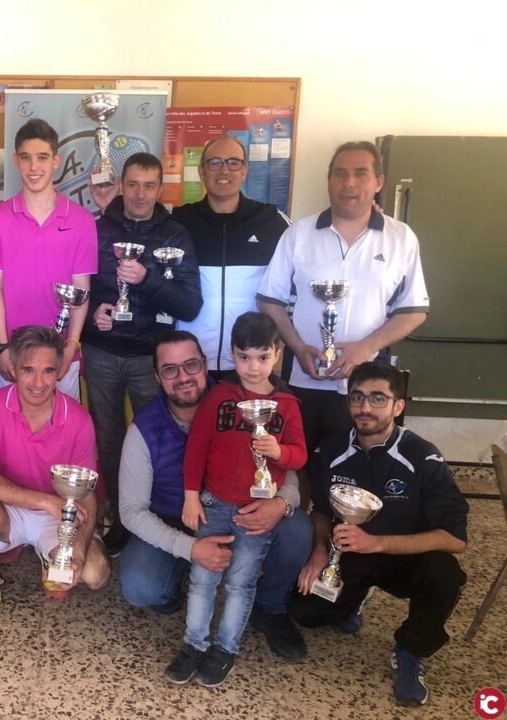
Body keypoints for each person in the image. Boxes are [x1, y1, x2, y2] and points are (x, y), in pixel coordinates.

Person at [118, 329, 311, 663]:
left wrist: (282, 502)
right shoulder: (143, 430)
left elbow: (287, 465)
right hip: (178, 522)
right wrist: (189, 547)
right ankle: (178, 577)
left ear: (206, 365)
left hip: (243, 511)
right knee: (139, 586)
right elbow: (131, 512)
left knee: (298, 531)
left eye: (191, 365)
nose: (182, 377)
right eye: (169, 369)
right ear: (157, 376)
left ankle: (270, 605)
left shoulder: (245, 398)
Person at [290, 362, 468, 707]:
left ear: (398, 406)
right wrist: (318, 553)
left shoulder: (423, 455)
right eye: (357, 397)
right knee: (304, 612)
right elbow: (324, 511)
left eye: (377, 398)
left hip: (407, 559)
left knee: (444, 575)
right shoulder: (332, 449)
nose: (365, 408)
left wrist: (378, 543)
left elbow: (455, 538)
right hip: (352, 556)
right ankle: (353, 599)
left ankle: (411, 649)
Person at [256, 140, 429, 461]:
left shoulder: (401, 237)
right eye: (339, 173)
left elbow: (413, 310)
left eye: (360, 173)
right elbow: (269, 300)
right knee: (299, 463)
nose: (349, 182)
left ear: (379, 182)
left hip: (368, 385)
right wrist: (297, 346)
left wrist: (365, 348)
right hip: (303, 379)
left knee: (360, 465)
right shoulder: (298, 233)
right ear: (329, 181)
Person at [167, 313, 307, 687]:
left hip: (255, 512)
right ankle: (193, 643)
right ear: (232, 354)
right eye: (244, 357)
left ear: (277, 354)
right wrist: (192, 496)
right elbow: (197, 448)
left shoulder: (287, 404)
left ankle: (226, 647)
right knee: (201, 579)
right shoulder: (220, 396)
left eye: (262, 357)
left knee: (241, 583)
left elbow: (301, 455)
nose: (253, 366)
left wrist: (279, 452)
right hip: (213, 504)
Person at [83, 152, 203, 556]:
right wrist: (92, 315)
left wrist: (147, 278)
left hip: (153, 358)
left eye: (149, 185)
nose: (139, 193)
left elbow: (190, 306)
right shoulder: (97, 229)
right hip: (101, 352)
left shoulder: (175, 234)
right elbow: (80, 290)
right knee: (109, 441)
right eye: (132, 184)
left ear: (160, 188)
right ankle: (121, 517)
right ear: (120, 184)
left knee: (162, 440)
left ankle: (164, 518)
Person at [0, 325, 109, 635]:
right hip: (11, 508)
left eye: (48, 371)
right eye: (28, 370)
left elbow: (87, 494)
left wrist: (77, 547)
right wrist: (44, 501)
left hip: (58, 517)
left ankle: (51, 552)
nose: (39, 383)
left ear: (59, 373)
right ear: (12, 368)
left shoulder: (79, 419)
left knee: (95, 574)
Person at [0, 119, 97, 401]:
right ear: (16, 161)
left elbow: (81, 290)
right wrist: (1, 347)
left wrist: (71, 346)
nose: (34, 168)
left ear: (56, 160)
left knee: (61, 439)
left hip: (60, 356)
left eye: (42, 157)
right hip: (10, 357)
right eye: (26, 158)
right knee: (8, 439)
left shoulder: (81, 220)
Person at [170, 135, 289, 377]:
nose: (224, 170)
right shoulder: (179, 221)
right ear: (202, 171)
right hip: (191, 363)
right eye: (215, 162)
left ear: (245, 169)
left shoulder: (272, 221)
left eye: (233, 162)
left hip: (250, 363)